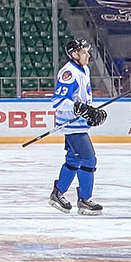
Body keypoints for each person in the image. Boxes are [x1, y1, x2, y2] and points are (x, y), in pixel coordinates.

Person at [47, 39, 106, 214]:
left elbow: (81, 98)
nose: (88, 55)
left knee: (74, 159)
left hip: (79, 124)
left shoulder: (84, 69)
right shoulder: (69, 73)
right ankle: (85, 199)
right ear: (74, 55)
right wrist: (77, 107)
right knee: (89, 159)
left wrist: (88, 111)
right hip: (71, 126)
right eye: (84, 52)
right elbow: (57, 101)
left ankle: (58, 194)